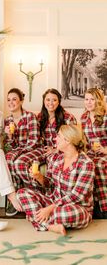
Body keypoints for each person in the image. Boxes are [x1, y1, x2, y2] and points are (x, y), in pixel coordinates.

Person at [17, 125, 95, 235]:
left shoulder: (86, 164)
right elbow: (50, 185)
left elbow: (77, 195)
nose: (55, 139)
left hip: (77, 207)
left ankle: (35, 218)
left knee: (70, 213)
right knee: (21, 193)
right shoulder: (55, 158)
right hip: (53, 201)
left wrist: (49, 209)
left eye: (58, 136)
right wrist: (39, 177)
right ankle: (49, 226)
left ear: (67, 140)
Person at [4, 88, 40, 216]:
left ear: (21, 101)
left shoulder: (30, 117)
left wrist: (18, 151)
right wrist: (9, 136)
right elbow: (11, 146)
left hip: (35, 150)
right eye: (8, 100)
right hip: (18, 151)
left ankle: (35, 193)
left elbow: (34, 142)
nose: (11, 102)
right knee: (8, 158)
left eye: (14, 99)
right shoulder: (8, 121)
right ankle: (15, 196)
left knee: (18, 162)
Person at [81, 88, 107, 219]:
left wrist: (104, 149)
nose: (89, 102)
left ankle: (104, 207)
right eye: (86, 99)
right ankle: (89, 205)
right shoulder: (84, 117)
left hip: (105, 153)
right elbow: (84, 140)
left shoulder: (105, 116)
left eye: (92, 99)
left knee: (97, 165)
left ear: (98, 101)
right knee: (83, 165)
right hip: (91, 152)